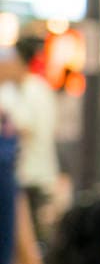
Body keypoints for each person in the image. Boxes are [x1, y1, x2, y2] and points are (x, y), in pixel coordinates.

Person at [0, 36, 59, 240]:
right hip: (19, 174)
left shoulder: (36, 90)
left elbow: (24, 127)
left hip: (32, 175)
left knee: (27, 237)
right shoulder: (12, 90)